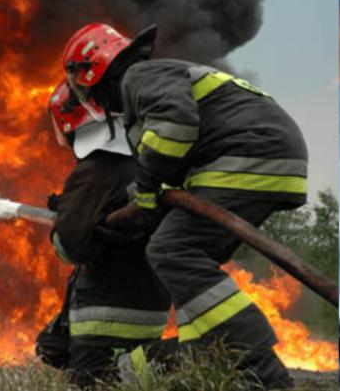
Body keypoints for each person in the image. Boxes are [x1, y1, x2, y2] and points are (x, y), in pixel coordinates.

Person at [60, 22, 307, 389]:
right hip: (264, 156)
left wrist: (144, 190)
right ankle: (211, 356)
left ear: (94, 71)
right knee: (191, 266)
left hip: (249, 154)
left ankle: (259, 364)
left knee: (171, 250)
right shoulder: (153, 80)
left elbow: (175, 128)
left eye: (81, 86)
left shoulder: (139, 77)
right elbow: (176, 156)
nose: (86, 96)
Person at [35, 81, 170, 388]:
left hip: (106, 311)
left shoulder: (97, 168)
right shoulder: (144, 163)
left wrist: (64, 225)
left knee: (92, 382)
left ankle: (163, 362)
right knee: (51, 347)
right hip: (150, 306)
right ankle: (137, 368)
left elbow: (71, 247)